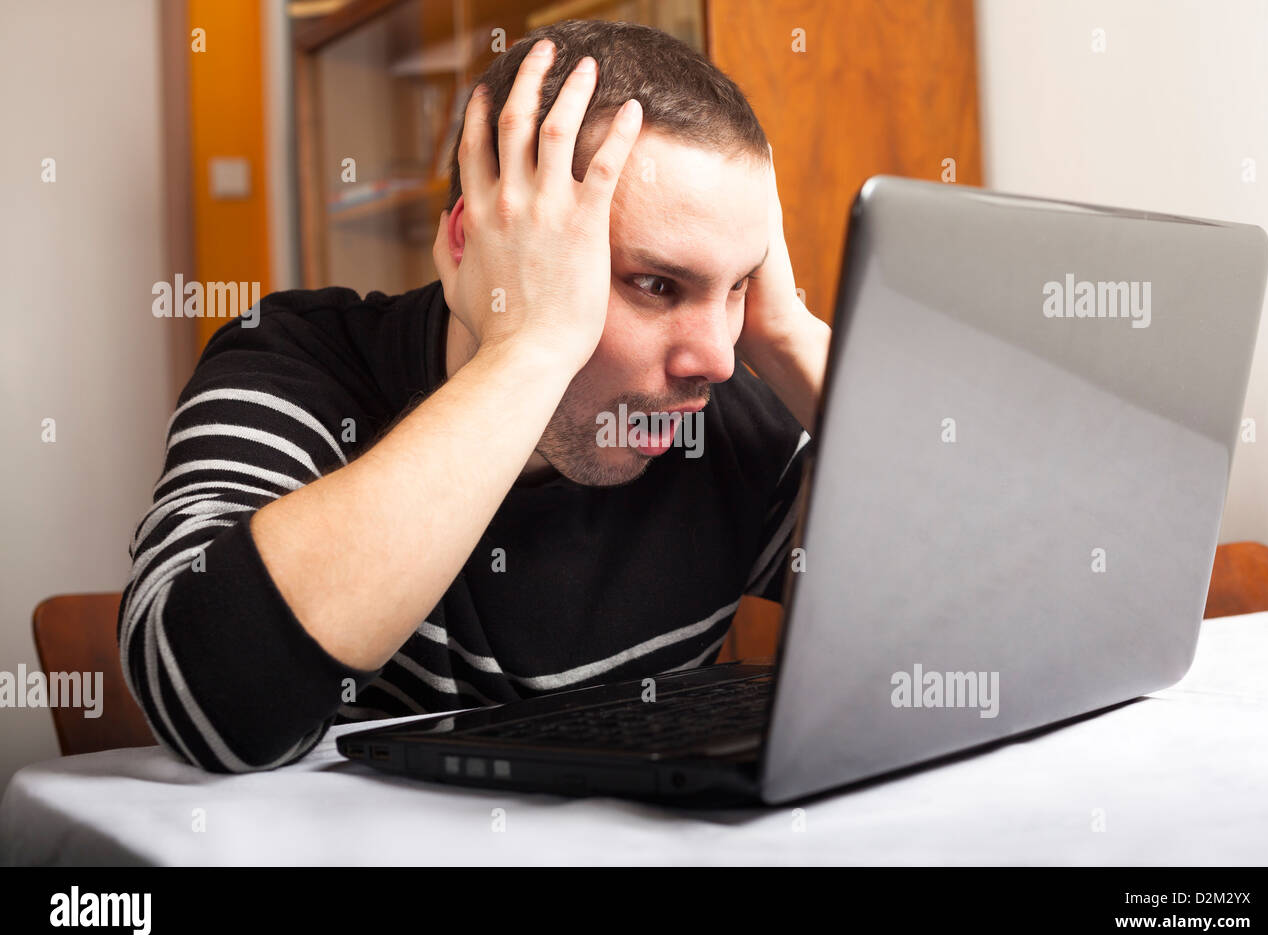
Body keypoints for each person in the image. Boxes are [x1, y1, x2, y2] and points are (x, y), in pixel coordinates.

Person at [118, 19, 830, 773]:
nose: (716, 359)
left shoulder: (716, 413)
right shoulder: (300, 363)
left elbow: (960, 633)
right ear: (475, 243)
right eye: (655, 284)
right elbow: (210, 707)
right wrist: (528, 348)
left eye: (739, 287)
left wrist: (788, 338)